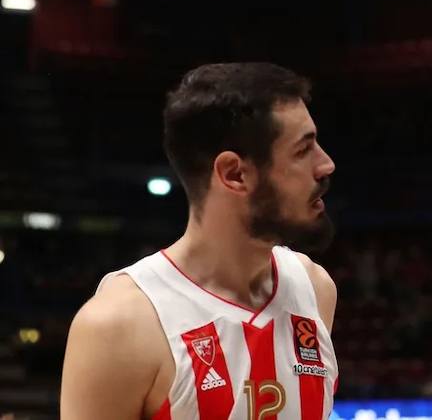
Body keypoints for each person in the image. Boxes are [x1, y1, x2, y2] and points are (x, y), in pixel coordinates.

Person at [60, 63, 339, 420]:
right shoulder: (119, 325)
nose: (326, 164)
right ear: (234, 174)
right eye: (303, 151)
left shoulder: (315, 289)